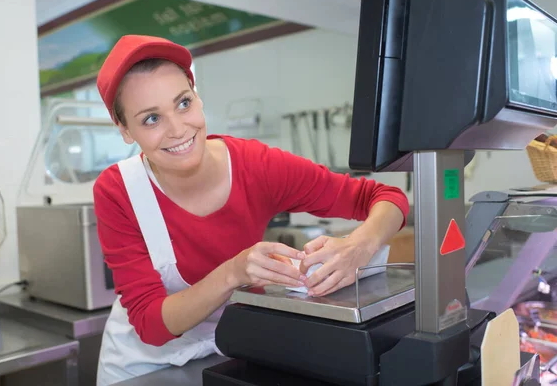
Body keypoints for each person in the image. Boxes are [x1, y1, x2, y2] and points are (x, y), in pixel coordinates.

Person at [92, 34, 409, 385]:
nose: (178, 128)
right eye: (151, 119)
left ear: (197, 97)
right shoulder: (119, 191)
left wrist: (358, 246)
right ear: (124, 130)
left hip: (228, 351)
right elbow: (151, 324)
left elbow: (387, 198)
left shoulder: (255, 166)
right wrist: (234, 272)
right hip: (143, 368)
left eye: (183, 103)